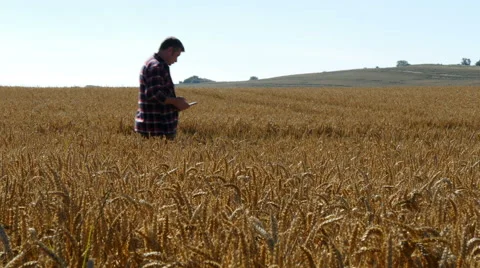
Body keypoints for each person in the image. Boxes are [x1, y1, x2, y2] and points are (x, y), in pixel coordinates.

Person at [134, 37, 191, 140]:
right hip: (156, 129)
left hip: (153, 127)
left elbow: (158, 95)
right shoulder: (157, 66)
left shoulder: (153, 63)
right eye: (176, 55)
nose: (176, 60)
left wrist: (176, 103)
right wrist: (176, 102)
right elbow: (154, 95)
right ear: (170, 50)